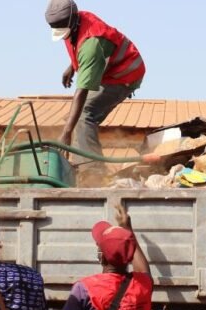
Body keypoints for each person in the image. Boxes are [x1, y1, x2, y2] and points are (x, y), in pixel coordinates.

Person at [45, 0, 145, 180]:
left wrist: (66, 133)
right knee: (73, 118)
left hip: (124, 75)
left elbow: (82, 90)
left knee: (84, 115)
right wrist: (73, 66)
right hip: (107, 69)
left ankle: (93, 172)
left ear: (72, 20)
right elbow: (81, 47)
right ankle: (79, 165)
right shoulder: (76, 21)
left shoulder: (92, 42)